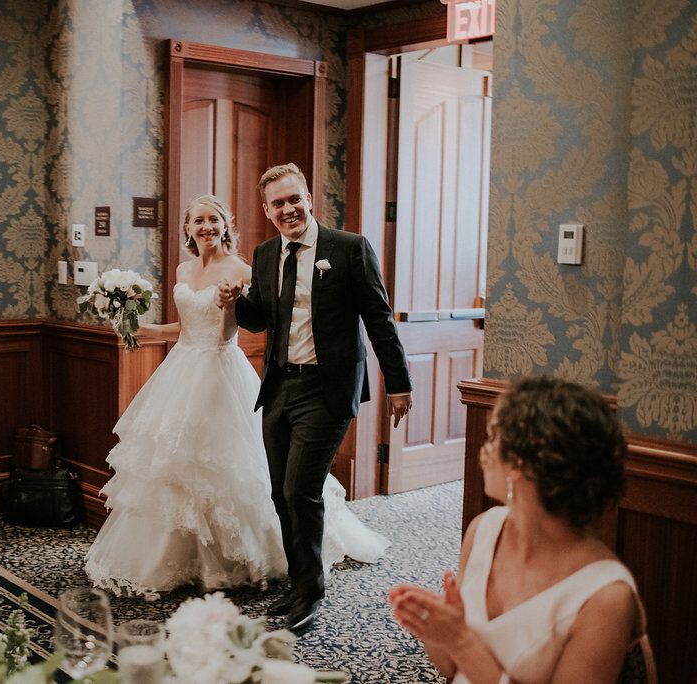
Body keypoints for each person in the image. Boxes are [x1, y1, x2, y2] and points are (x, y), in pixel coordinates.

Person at [84, 195, 391, 600]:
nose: (206, 227)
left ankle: (257, 557)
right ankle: (176, 558)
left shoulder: (244, 268)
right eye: (198, 221)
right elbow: (187, 325)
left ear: (226, 225)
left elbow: (249, 323)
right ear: (188, 229)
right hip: (181, 370)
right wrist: (145, 330)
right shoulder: (183, 268)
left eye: (214, 219)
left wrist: (234, 303)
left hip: (221, 372)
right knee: (174, 468)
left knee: (234, 469)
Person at [217, 163, 411, 633]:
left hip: (327, 390)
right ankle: (300, 579)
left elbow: (379, 319)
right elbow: (260, 318)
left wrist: (399, 384)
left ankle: (311, 592)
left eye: (293, 199)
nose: (288, 210)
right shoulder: (265, 255)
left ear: (308, 198)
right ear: (266, 211)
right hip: (279, 387)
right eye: (277, 204)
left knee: (299, 489)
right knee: (281, 493)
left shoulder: (348, 249)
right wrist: (234, 302)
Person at [388, 377, 648, 683]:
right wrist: (440, 630)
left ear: (525, 465)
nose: (483, 450)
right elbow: (454, 670)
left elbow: (467, 653)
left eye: (494, 436)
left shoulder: (606, 597)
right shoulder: (484, 530)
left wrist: (461, 640)